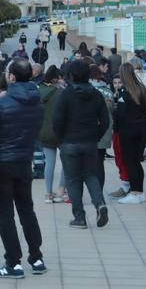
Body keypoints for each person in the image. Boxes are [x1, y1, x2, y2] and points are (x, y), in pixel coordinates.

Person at [0, 60, 47, 279]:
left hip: (0, 163)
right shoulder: (37, 103)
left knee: (5, 215)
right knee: (27, 209)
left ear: (11, 78)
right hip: (23, 161)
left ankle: (13, 262)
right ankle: (37, 258)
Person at [52, 59, 110, 229]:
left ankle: (79, 217)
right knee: (90, 175)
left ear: (71, 74)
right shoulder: (97, 94)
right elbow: (105, 121)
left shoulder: (65, 94)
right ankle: (100, 204)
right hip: (90, 142)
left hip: (69, 142)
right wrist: (96, 136)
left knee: (72, 179)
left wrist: (61, 139)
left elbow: (57, 121)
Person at [112, 63, 146, 204]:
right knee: (136, 161)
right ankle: (139, 191)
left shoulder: (125, 92)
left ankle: (136, 193)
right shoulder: (141, 88)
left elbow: (121, 115)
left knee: (130, 162)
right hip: (141, 128)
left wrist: (116, 117)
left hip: (128, 131)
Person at [38, 69, 67, 204]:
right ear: (55, 79)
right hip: (62, 132)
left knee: (49, 162)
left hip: (44, 132)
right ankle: (61, 189)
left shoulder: (38, 91)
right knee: (66, 162)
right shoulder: (62, 93)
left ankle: (48, 194)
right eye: (61, 78)